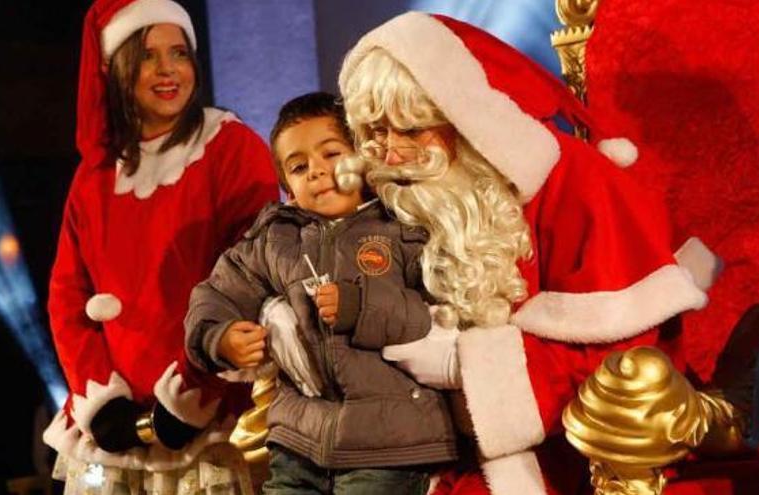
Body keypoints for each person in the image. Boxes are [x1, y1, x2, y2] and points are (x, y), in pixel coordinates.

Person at [329, 12, 720, 495]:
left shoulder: (578, 186)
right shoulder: (389, 196)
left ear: (466, 119)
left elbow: (626, 363)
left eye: (411, 131)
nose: (389, 155)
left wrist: (465, 365)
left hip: (567, 455)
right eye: (374, 133)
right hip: (417, 447)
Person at [42, 0, 279, 491]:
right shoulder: (94, 177)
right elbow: (67, 298)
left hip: (209, 425)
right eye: (149, 55)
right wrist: (104, 402)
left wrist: (196, 394)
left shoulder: (231, 148)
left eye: (180, 53)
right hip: (117, 435)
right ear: (117, 68)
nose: (168, 70)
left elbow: (252, 279)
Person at [184, 92, 457, 495]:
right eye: (298, 166)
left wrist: (359, 307)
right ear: (287, 186)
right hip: (299, 442)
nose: (316, 171)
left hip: (388, 447)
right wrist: (218, 337)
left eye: (331, 154)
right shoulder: (275, 237)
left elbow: (432, 313)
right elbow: (218, 292)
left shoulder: (401, 227)